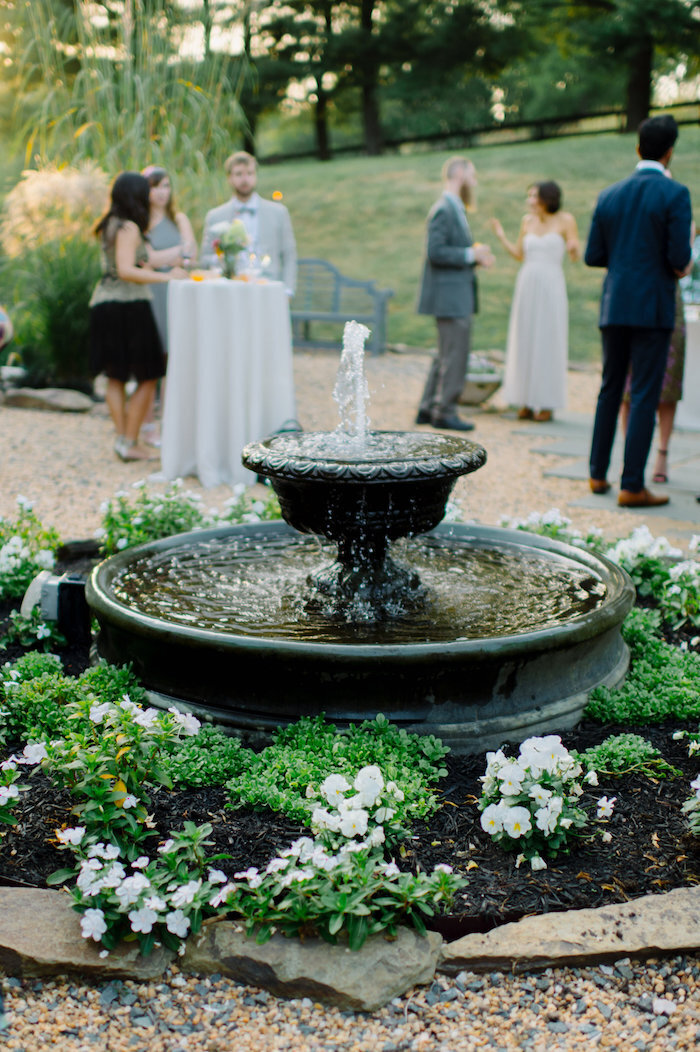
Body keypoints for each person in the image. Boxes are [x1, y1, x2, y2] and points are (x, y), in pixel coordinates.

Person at [585, 115, 692, 508]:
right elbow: (680, 259)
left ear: (637, 148)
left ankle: (596, 475)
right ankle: (632, 485)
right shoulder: (675, 194)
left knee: (609, 388)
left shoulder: (609, 194)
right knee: (644, 392)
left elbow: (593, 255)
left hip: (614, 304)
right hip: (653, 308)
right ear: (669, 153)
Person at [89, 171, 187, 462]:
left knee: (115, 377)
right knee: (150, 374)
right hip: (129, 306)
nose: (149, 196)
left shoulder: (112, 224)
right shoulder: (129, 227)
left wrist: (177, 256)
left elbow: (146, 259)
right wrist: (166, 280)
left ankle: (124, 441)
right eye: (144, 191)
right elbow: (126, 270)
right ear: (134, 194)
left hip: (105, 303)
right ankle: (130, 441)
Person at [416, 156, 494, 432]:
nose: (475, 178)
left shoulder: (454, 207)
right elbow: (435, 252)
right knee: (455, 354)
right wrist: (470, 253)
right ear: (459, 172)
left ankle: (427, 407)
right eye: (472, 172)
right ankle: (445, 411)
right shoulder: (444, 208)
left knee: (444, 354)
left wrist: (474, 256)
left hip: (455, 292)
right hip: (450, 296)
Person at [491, 181, 580, 422]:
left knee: (548, 339)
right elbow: (520, 254)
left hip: (551, 284)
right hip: (527, 283)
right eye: (529, 195)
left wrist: (573, 248)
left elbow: (574, 253)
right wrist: (501, 237)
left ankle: (546, 403)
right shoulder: (526, 222)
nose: (529, 200)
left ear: (546, 198)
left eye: (533, 196)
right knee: (525, 337)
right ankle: (524, 400)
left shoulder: (566, 220)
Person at [200, 151, 297, 294]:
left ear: (255, 176)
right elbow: (205, 258)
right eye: (239, 174)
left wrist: (288, 290)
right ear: (229, 178)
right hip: (229, 290)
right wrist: (223, 261)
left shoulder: (278, 212)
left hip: (268, 286)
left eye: (250, 173)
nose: (245, 179)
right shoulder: (215, 216)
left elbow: (289, 255)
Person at [143, 165, 197, 350]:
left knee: (180, 343)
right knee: (157, 344)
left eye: (166, 186)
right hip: (154, 287)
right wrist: (178, 251)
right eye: (155, 187)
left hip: (180, 284)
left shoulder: (179, 219)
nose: (161, 192)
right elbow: (148, 259)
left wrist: (165, 257)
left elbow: (190, 255)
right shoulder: (142, 222)